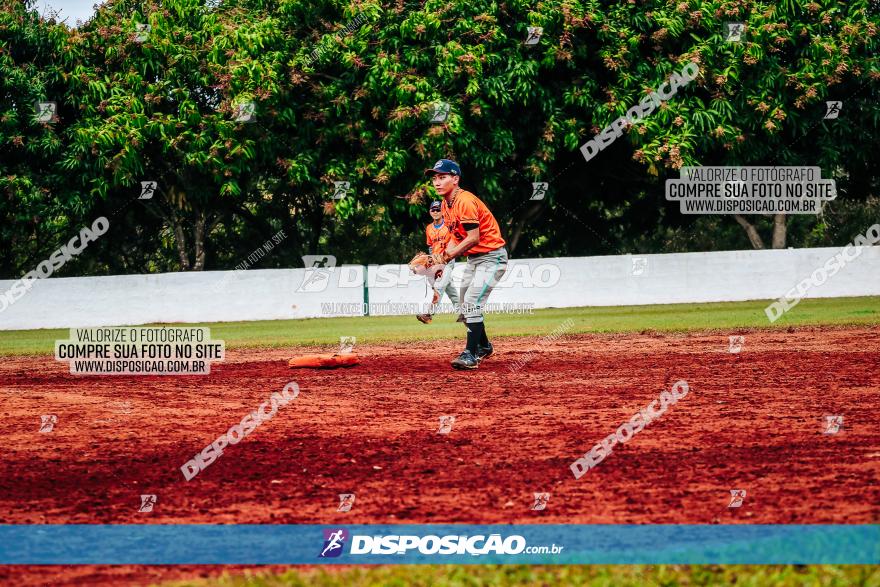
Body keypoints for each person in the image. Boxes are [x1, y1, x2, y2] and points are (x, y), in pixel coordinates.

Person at [424, 159, 508, 370]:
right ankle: (484, 346)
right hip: (475, 259)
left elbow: (473, 238)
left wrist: (447, 255)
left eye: (442, 177)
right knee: (464, 305)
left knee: (471, 302)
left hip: (492, 257)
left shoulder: (465, 201)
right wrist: (444, 257)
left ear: (455, 179)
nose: (436, 182)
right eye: (434, 178)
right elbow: (455, 235)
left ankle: (470, 354)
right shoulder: (445, 204)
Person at [415, 200, 461, 324]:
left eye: (438, 209)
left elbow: (455, 242)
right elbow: (430, 246)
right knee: (451, 290)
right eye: (433, 210)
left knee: (439, 287)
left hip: (447, 261)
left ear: (442, 211)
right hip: (436, 263)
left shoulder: (448, 225)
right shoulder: (429, 228)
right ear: (430, 212)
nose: (436, 212)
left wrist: (447, 256)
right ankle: (464, 313)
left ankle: (428, 314)